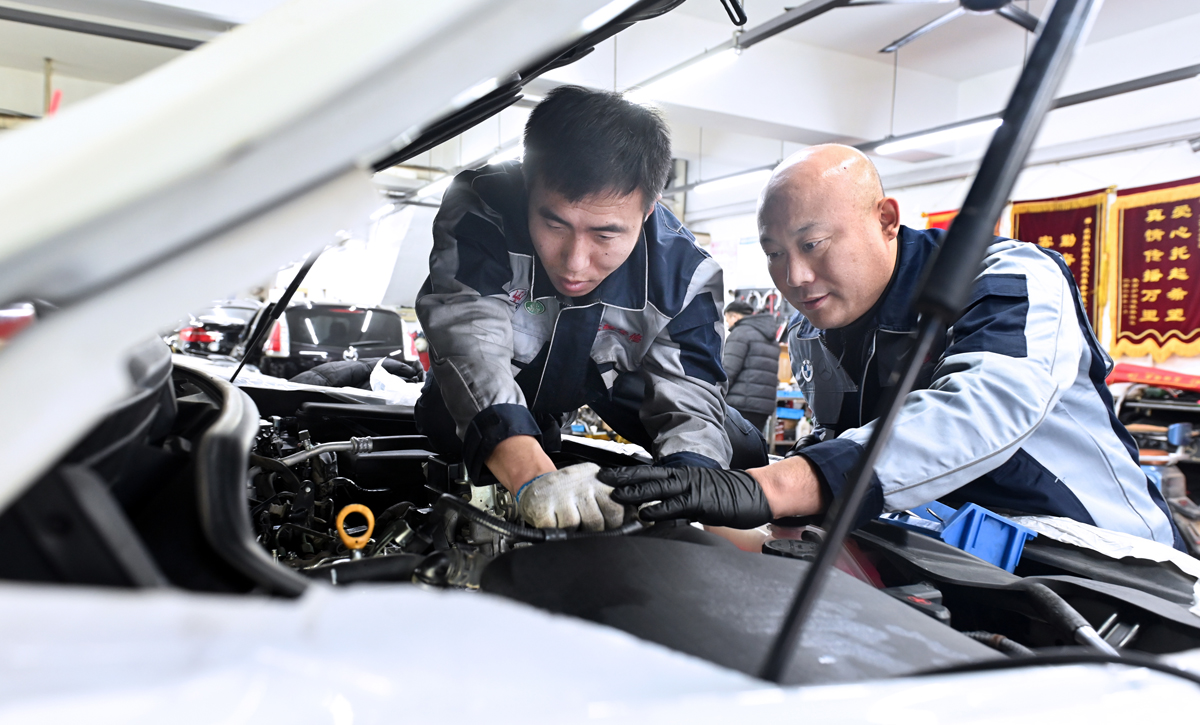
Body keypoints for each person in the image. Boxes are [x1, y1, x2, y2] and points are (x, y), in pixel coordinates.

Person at [603, 143, 1183, 550]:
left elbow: (983, 409)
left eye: (813, 244)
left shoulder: (1006, 275)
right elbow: (838, 435)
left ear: (885, 219)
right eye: (775, 253)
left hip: (1104, 561)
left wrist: (774, 487)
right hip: (952, 554)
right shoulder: (811, 327)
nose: (795, 276)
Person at [415, 86, 767, 532]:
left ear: (648, 211)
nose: (575, 263)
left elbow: (691, 403)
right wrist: (532, 476)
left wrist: (684, 494)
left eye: (605, 235)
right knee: (445, 427)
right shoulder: (482, 208)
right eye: (554, 223)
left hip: (610, 378)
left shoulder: (685, 275)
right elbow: (471, 343)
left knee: (740, 454)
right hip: (508, 372)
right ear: (527, 186)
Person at [721, 300, 780, 433]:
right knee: (753, 443)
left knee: (732, 444)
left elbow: (728, 371)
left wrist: (715, 396)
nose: (727, 324)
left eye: (727, 319)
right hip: (763, 406)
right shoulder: (771, 338)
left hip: (740, 405)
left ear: (734, 316)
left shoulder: (740, 333)